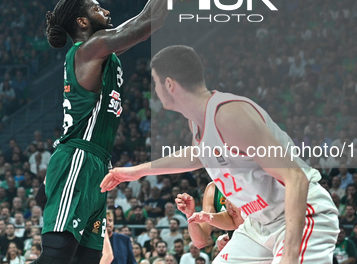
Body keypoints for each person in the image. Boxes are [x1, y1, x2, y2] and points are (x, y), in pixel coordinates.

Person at [33, 0, 207, 264]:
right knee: (57, 257)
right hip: (78, 158)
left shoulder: (102, 54)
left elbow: (151, 19)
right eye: (98, 9)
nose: (107, 12)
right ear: (82, 23)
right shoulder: (88, 49)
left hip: (96, 163)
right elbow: (145, 23)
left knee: (86, 260)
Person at [101, 45, 340, 264]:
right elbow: (198, 155)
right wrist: (136, 171)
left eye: (155, 82)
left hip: (302, 214)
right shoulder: (198, 123)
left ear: (170, 84)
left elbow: (296, 178)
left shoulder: (229, 115)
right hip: (259, 225)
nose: (154, 90)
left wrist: (290, 255)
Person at [174, 182, 243, 251]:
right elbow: (200, 242)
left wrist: (209, 217)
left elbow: (239, 223)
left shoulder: (247, 181)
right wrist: (190, 214)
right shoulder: (213, 188)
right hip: (238, 247)